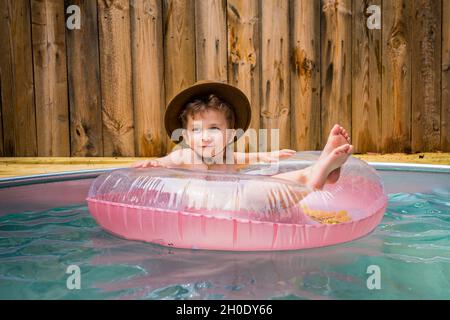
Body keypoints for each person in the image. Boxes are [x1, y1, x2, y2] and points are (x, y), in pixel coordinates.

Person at [132, 80, 353, 191]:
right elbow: (164, 163)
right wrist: (152, 163)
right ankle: (318, 173)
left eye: (214, 129)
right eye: (196, 130)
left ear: (229, 135)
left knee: (267, 181)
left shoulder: (226, 156)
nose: (205, 137)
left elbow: (243, 158)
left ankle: (321, 170)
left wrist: (268, 156)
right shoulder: (185, 158)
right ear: (186, 137)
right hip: (210, 211)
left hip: (235, 202)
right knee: (257, 188)